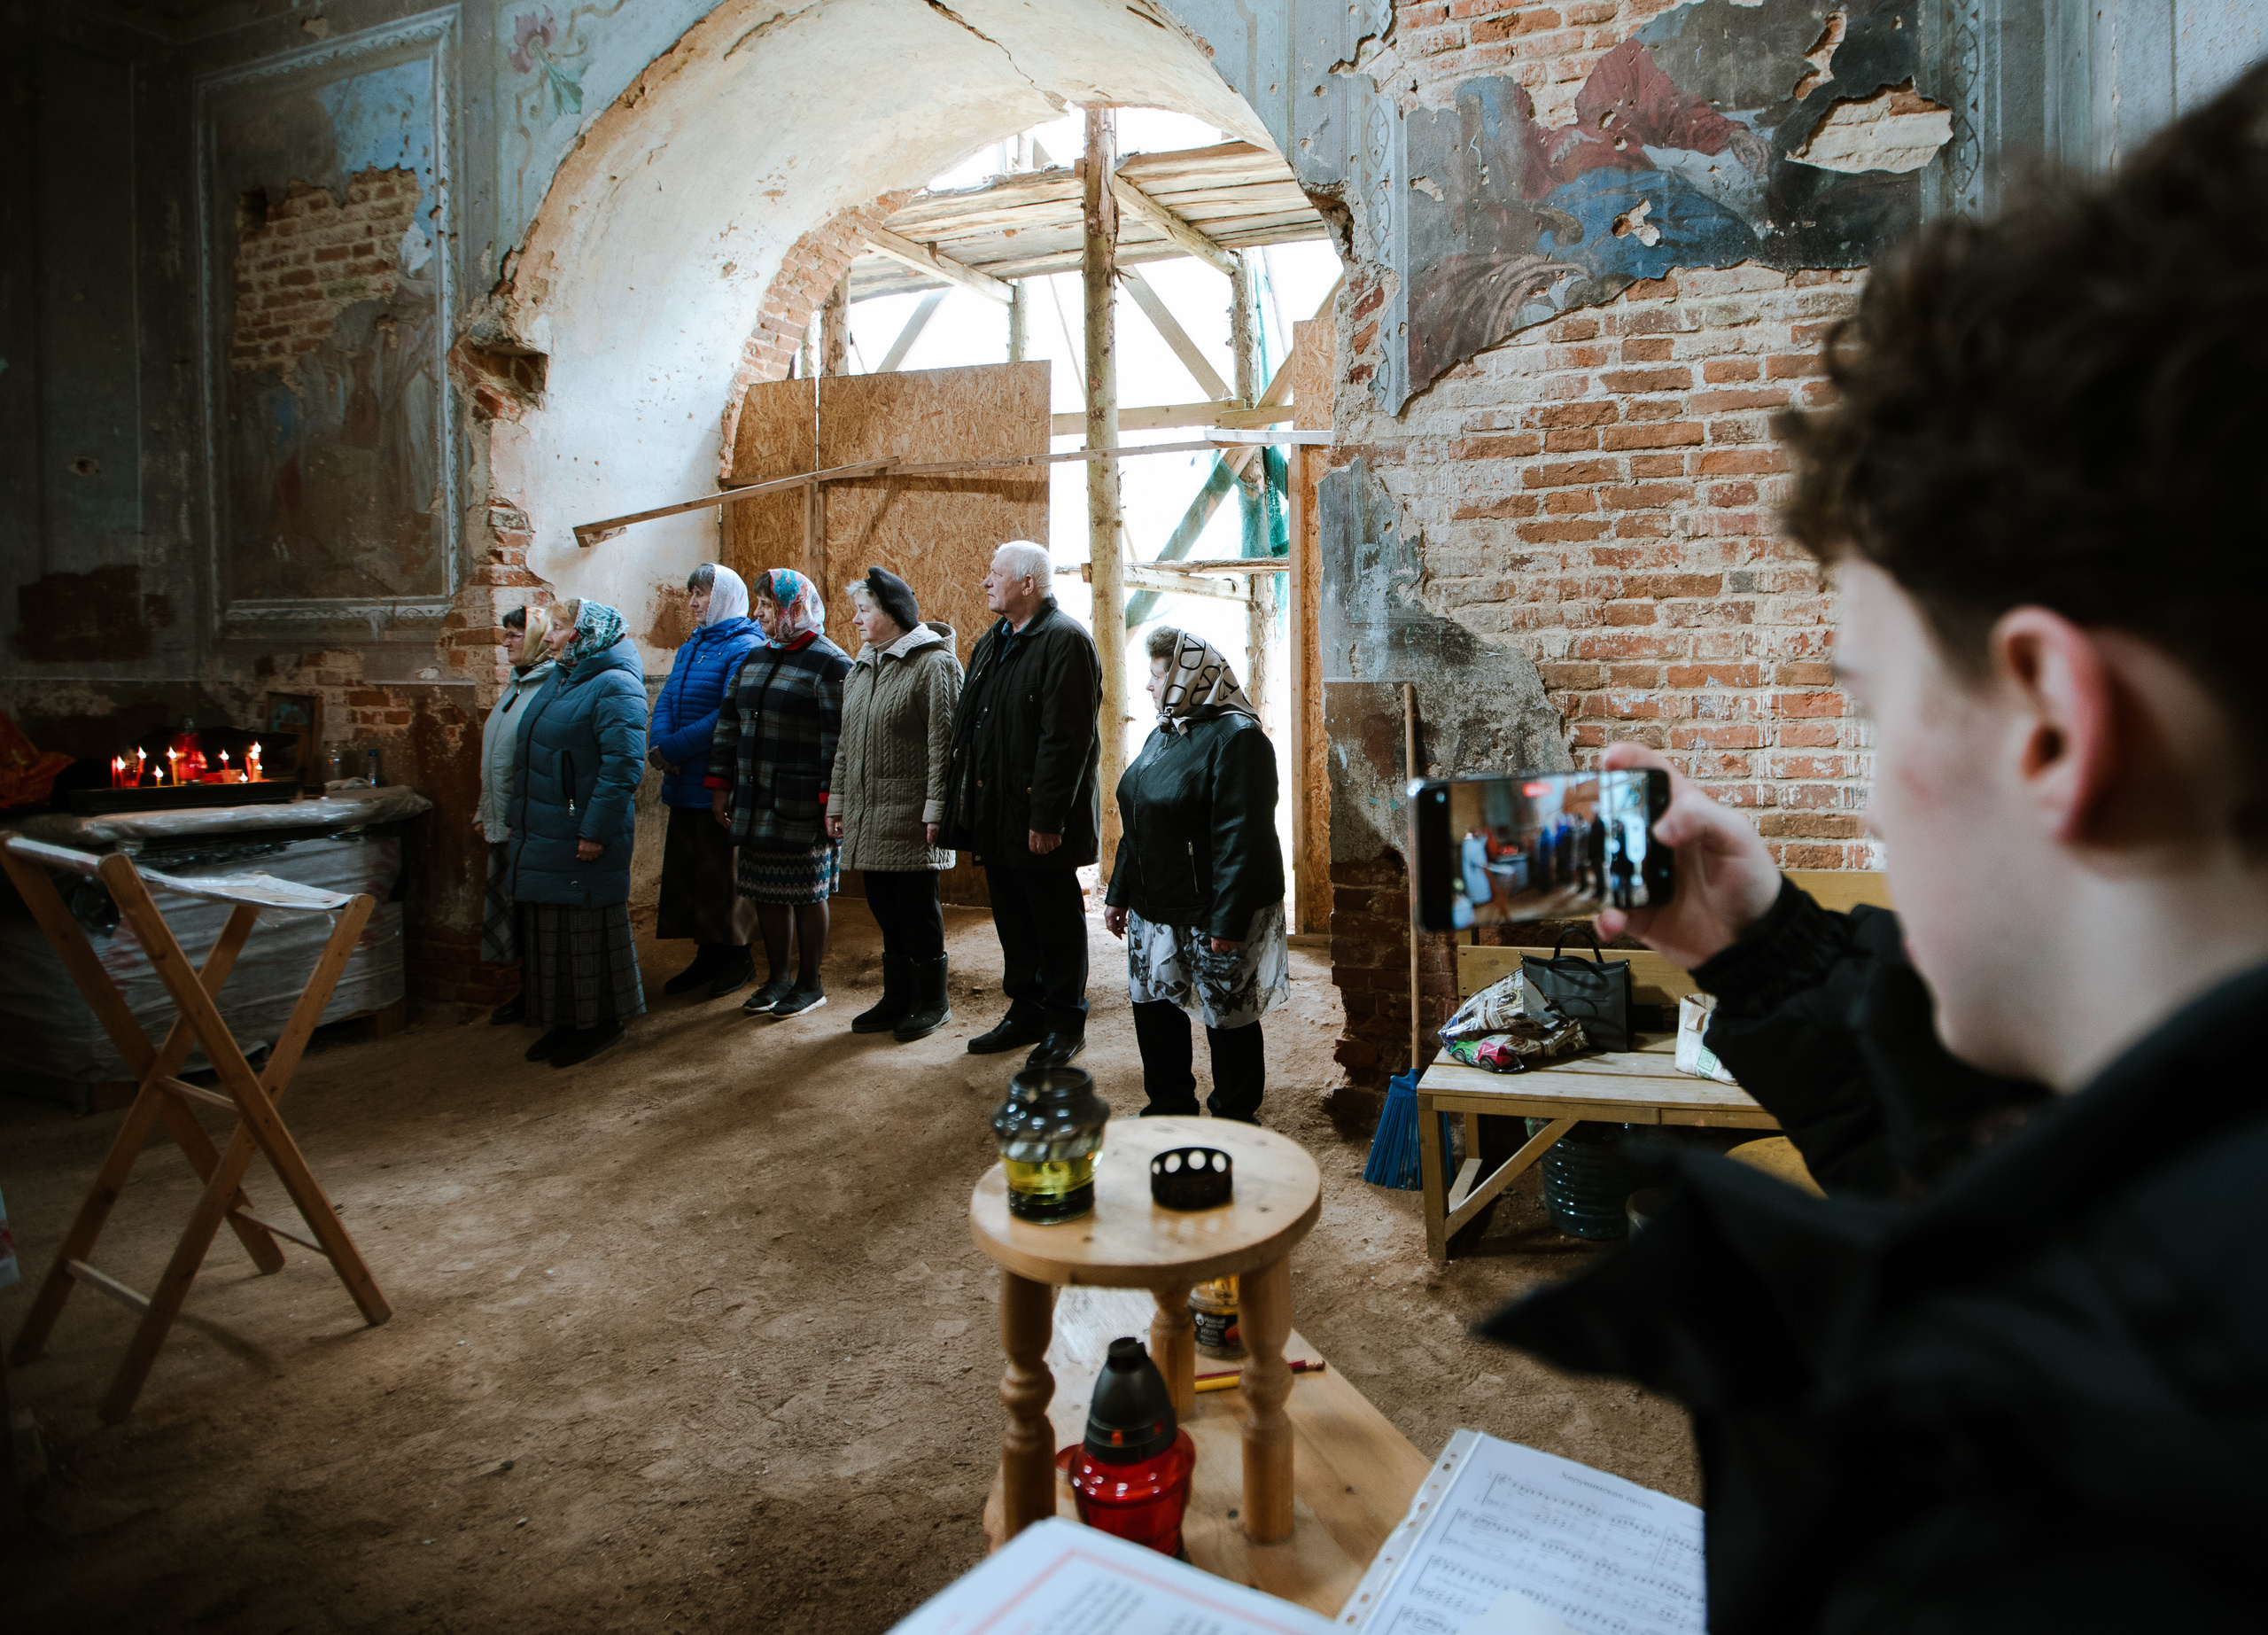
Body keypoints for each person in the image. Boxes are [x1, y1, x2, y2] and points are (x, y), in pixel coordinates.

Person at [1480, 66, 2268, 1633]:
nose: (1875, 773)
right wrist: (1769, 947)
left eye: (1871, 702)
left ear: (2049, 721)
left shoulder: (2043, 1501)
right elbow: (2002, 1156)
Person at [1104, 629, 1286, 1124]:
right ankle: (1169, 1105)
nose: (1148, 685)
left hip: (1212, 910)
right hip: (1154, 904)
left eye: (1157, 673)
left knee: (1227, 1016)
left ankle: (1235, 1116)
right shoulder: (1164, 732)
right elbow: (1138, 820)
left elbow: (1241, 841)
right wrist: (1119, 893)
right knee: (1155, 1009)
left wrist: (1227, 922)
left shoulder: (1240, 739)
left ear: (1188, 676)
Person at [938, 541, 1102, 1071]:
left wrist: (1047, 817)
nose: (986, 580)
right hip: (998, 811)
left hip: (1040, 817)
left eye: (995, 572)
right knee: (1011, 913)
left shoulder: (1066, 642)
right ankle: (1026, 1009)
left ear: (1028, 583)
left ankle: (1064, 1020)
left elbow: (1067, 740)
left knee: (1054, 918)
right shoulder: (993, 643)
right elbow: (972, 730)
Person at [506, 599, 649, 1069]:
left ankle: (601, 1024)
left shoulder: (615, 684)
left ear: (587, 633)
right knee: (554, 932)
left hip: (581, 829)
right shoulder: (565, 674)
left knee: (587, 932)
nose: (548, 636)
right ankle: (565, 1022)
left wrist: (595, 831)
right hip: (549, 827)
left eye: (560, 628)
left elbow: (624, 766)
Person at [827, 566, 962, 1041]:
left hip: (909, 814)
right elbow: (846, 744)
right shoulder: (861, 666)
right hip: (868, 811)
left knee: (916, 909)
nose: (857, 620)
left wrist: (937, 810)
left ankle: (933, 1000)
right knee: (884, 906)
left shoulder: (934, 664)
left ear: (892, 614)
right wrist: (837, 802)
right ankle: (898, 995)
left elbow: (944, 746)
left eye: (865, 611)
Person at [709, 568, 850, 1021]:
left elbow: (838, 742)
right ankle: (778, 980)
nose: (758, 614)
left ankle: (810, 983)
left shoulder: (831, 662)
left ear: (795, 607)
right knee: (765, 890)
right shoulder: (755, 656)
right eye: (759, 606)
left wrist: (833, 803)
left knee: (808, 892)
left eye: (766, 606)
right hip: (754, 800)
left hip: (803, 803)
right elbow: (728, 726)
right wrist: (720, 786)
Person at [648, 563, 762, 1000]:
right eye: (692, 594)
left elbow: (727, 714)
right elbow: (667, 699)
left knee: (723, 874)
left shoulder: (746, 645)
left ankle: (737, 957)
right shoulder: (691, 645)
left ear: (725, 598)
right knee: (694, 872)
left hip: (716, 777)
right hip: (682, 778)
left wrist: (674, 749)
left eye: (702, 595)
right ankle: (706, 955)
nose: (694, 603)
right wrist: (660, 743)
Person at [475, 604, 555, 1025]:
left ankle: (541, 993)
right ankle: (528, 990)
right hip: (502, 817)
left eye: (514, 634)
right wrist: (482, 809)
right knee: (513, 911)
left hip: (531, 821)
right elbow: (497, 757)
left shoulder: (549, 687)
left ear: (540, 637)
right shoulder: (516, 686)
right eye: (505, 634)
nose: (505, 642)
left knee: (533, 912)